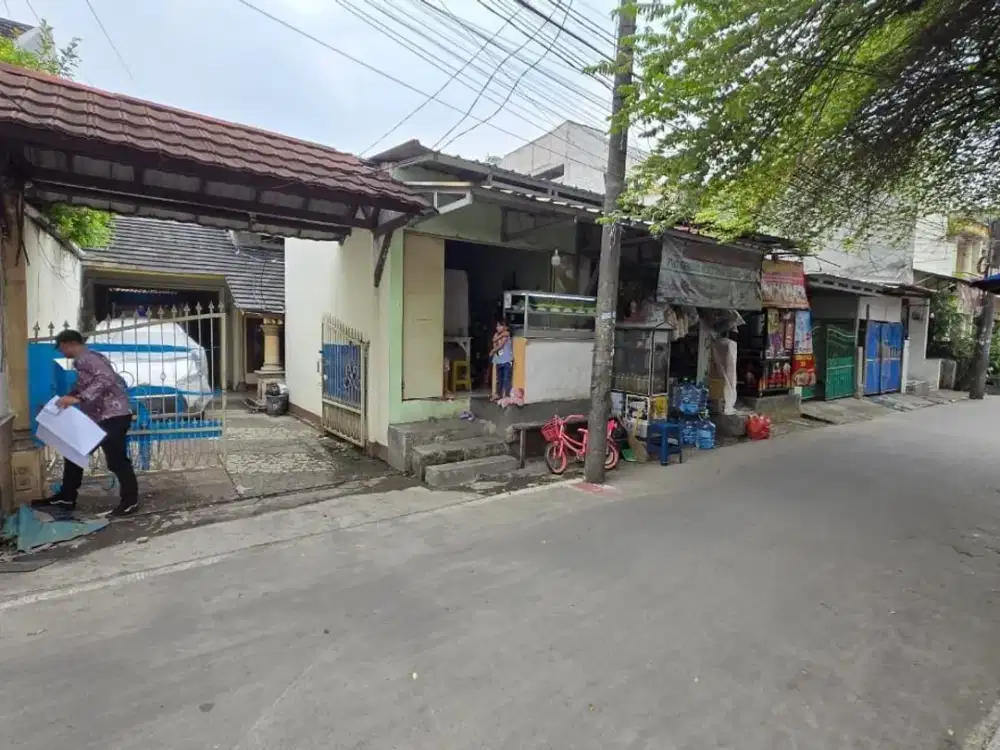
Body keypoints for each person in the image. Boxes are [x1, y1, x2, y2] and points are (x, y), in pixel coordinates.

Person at [35, 329, 139, 517]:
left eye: (61, 348)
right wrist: (67, 397)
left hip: (113, 415)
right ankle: (66, 496)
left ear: (68, 344)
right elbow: (84, 384)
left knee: (116, 460)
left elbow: (106, 378)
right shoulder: (84, 360)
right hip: (99, 417)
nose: (61, 352)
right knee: (75, 452)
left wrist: (79, 398)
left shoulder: (87, 358)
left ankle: (130, 501)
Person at [490, 319, 514, 401]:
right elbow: (494, 341)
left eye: (500, 325)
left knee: (506, 379)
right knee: (499, 379)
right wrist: (496, 338)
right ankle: (498, 395)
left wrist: (492, 351)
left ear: (506, 327)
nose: (498, 327)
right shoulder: (496, 335)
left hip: (507, 360)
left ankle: (506, 395)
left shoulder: (506, 335)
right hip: (499, 360)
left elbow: (500, 346)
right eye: (497, 326)